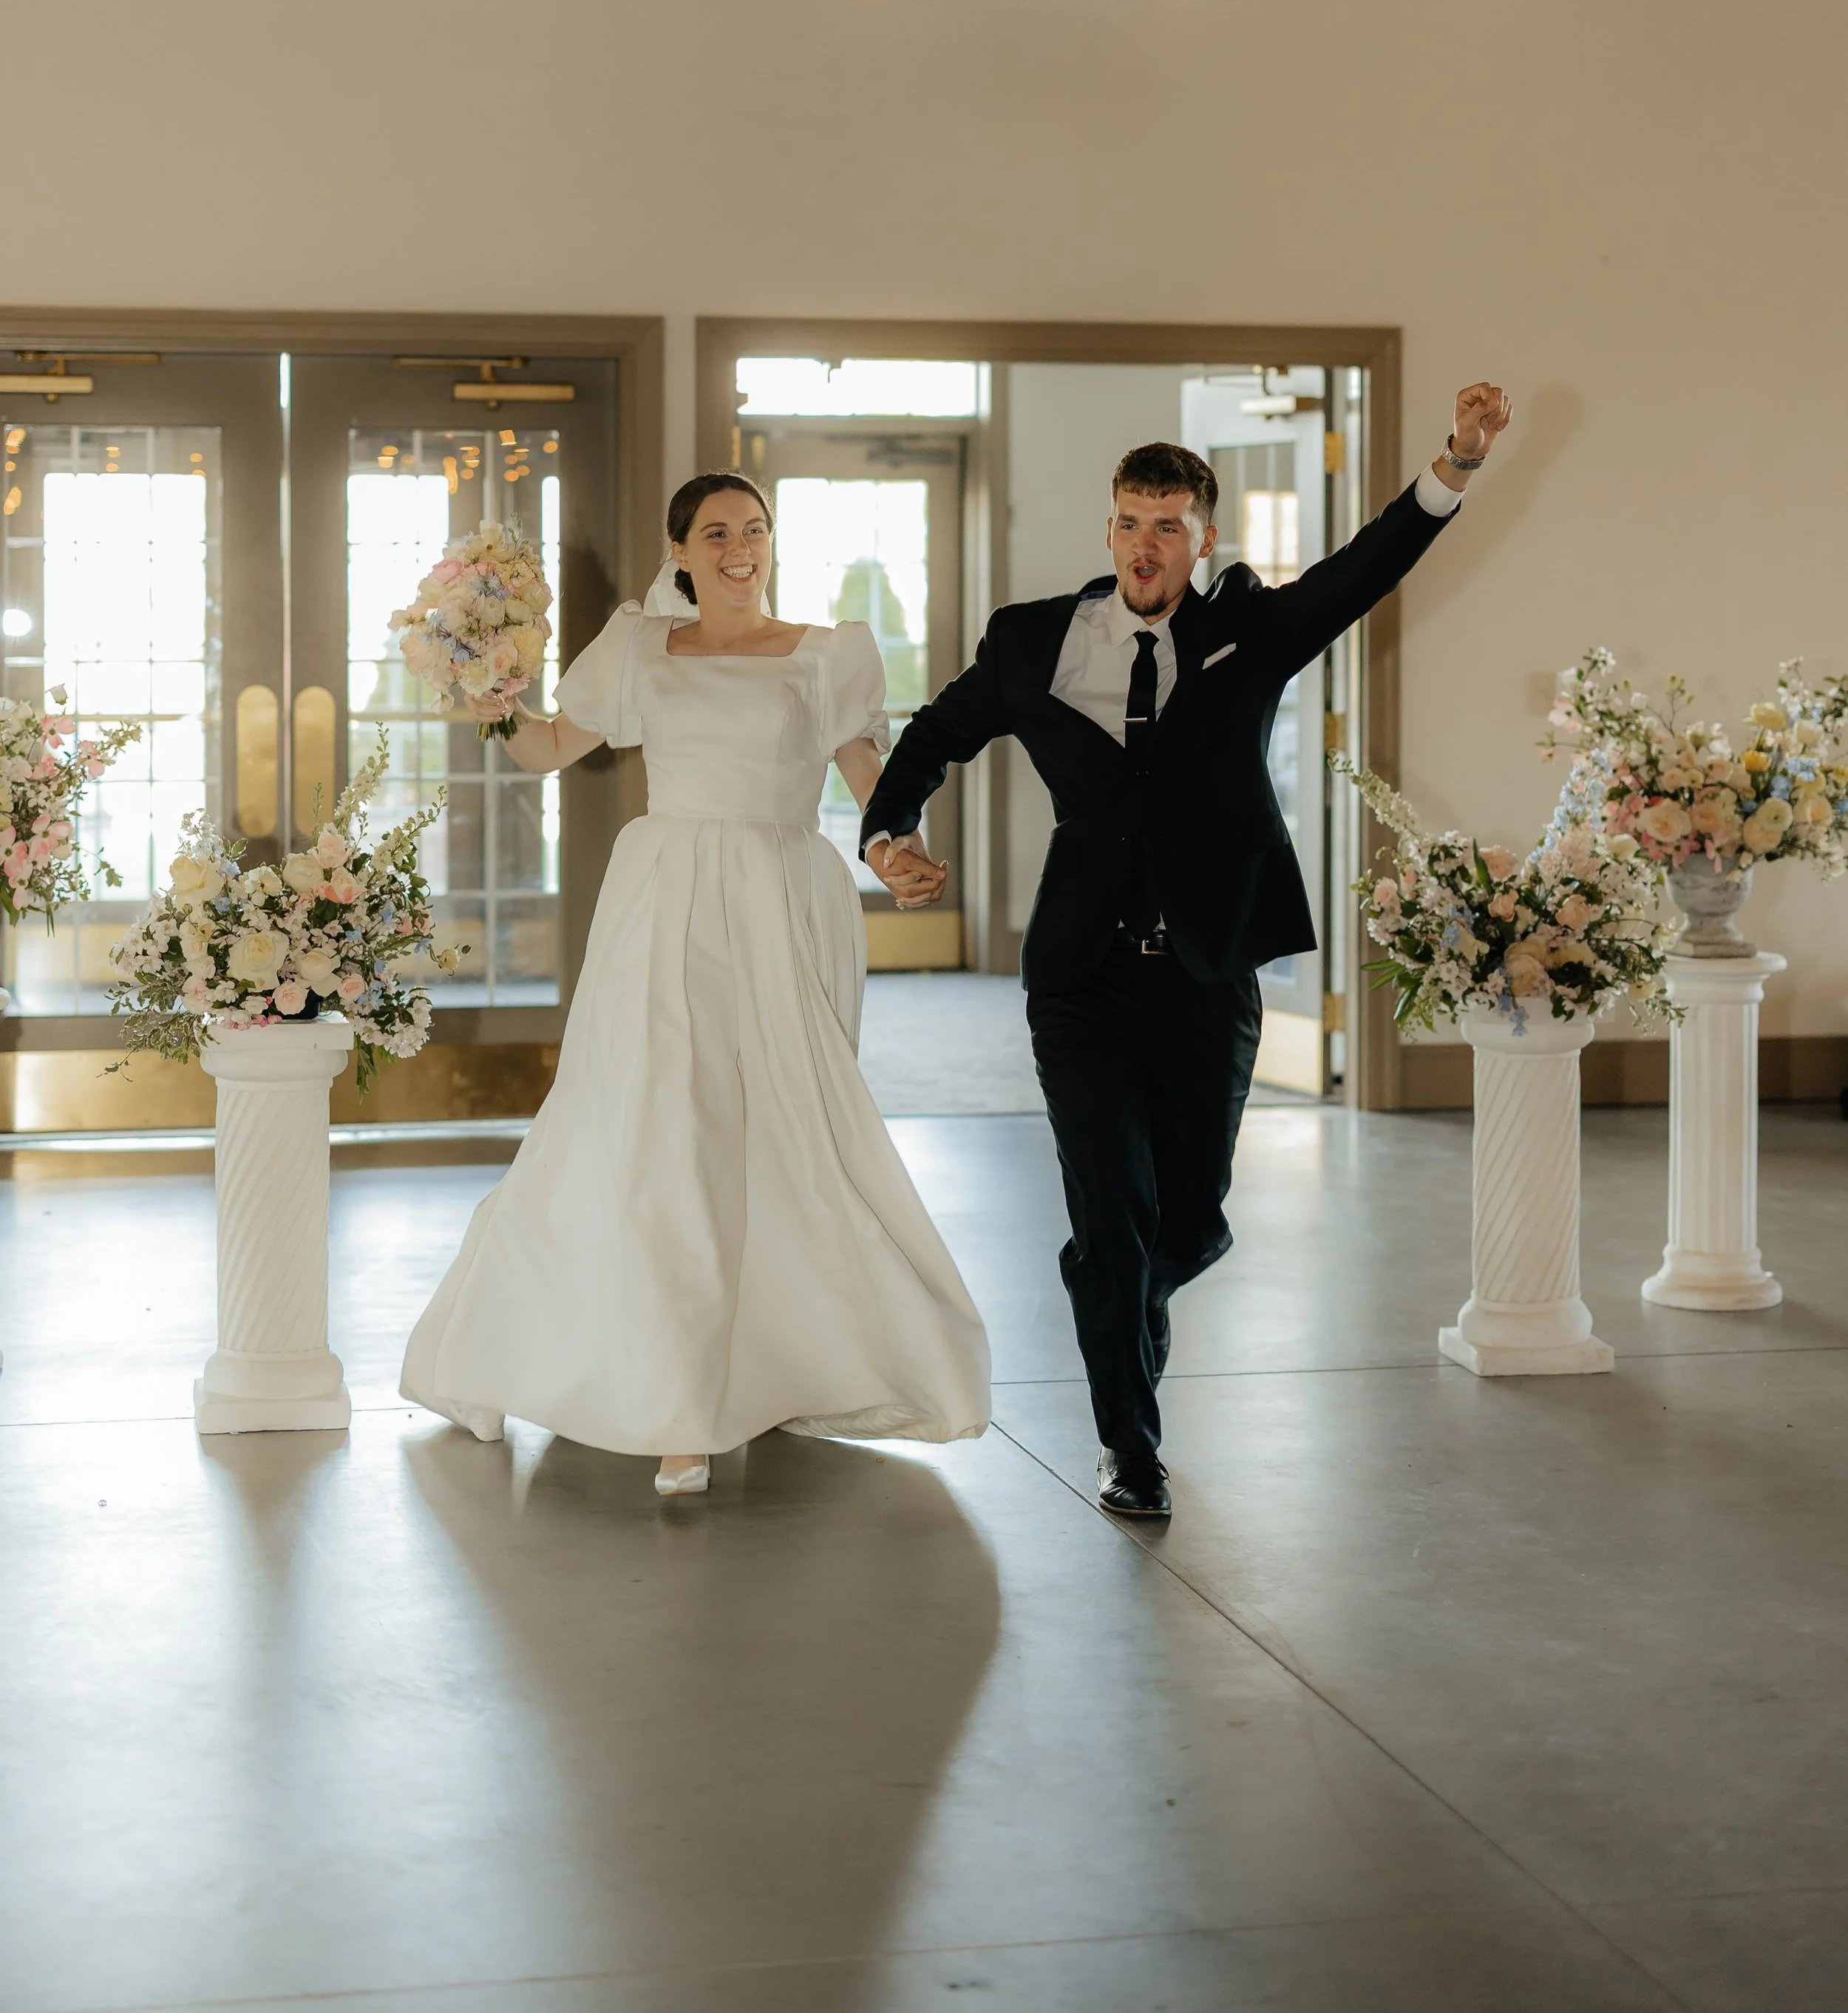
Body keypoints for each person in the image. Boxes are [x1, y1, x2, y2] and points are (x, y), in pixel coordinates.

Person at [860, 384, 1512, 1519]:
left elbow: (1364, 571)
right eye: (1129, 521)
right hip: (1080, 977)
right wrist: (888, 831)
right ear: (1109, 528)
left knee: (1193, 1217)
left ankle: (1122, 1282)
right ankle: (1132, 1446)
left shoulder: (1248, 632)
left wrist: (1455, 462)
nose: (1145, 544)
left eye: (1168, 525)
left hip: (1209, 972)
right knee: (1109, 1214)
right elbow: (936, 733)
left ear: (1202, 539)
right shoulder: (1033, 640)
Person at [401, 472, 991, 1498]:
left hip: (780, 898)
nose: (739, 548)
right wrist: (491, 699)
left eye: (754, 529)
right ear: (680, 551)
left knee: (778, 1127)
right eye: (716, 533)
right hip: (664, 899)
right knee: (662, 1124)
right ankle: (679, 1405)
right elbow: (548, 749)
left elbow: (871, 782)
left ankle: (774, 1365)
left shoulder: (825, 653)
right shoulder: (640, 647)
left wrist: (896, 854)